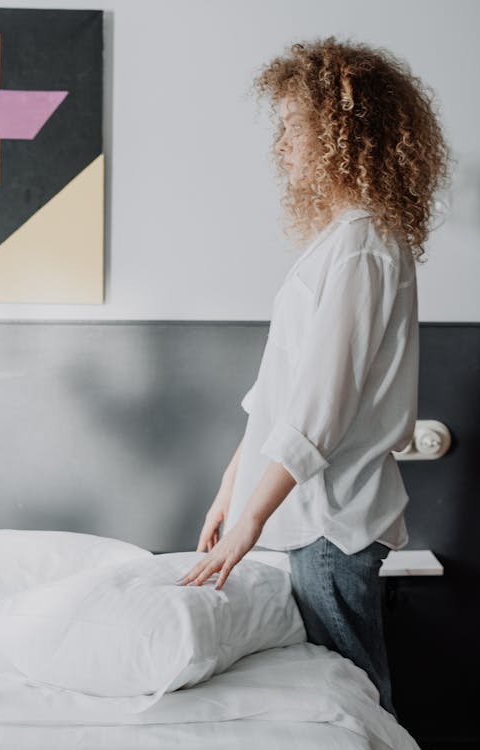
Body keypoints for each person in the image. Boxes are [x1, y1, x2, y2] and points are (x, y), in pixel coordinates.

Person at [178, 36, 452, 719]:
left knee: (348, 706)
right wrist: (229, 490)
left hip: (329, 524)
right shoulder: (342, 242)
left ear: (342, 134)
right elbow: (282, 391)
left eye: (293, 128)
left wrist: (251, 522)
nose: (282, 147)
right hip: (315, 523)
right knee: (340, 699)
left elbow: (320, 408)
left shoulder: (362, 245)